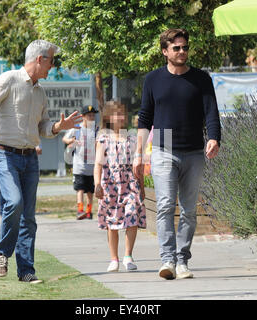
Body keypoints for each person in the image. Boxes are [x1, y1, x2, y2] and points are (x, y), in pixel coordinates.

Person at [0, 39, 82, 284]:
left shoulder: (41, 92)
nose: (52, 66)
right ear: (40, 59)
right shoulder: (8, 79)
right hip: (3, 154)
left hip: (30, 158)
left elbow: (43, 127)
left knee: (28, 217)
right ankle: (2, 254)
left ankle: (26, 271)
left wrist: (58, 127)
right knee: (15, 201)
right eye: (51, 61)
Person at [133, 28, 221, 280]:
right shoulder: (153, 79)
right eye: (176, 48)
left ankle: (182, 260)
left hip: (193, 149)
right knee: (164, 205)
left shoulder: (201, 79)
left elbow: (211, 113)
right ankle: (167, 260)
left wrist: (214, 137)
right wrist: (138, 153)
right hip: (162, 147)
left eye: (185, 47)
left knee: (189, 210)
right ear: (165, 51)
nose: (182, 51)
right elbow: (144, 118)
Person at [94, 100, 146, 272]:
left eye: (123, 113)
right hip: (110, 185)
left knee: (132, 216)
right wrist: (97, 184)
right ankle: (114, 258)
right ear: (109, 117)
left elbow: (137, 165)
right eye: (117, 113)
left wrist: (142, 187)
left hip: (130, 183)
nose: (121, 117)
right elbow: (98, 164)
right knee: (112, 222)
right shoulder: (103, 138)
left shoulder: (132, 137)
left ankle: (128, 256)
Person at [63, 105, 99, 220]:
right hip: (79, 165)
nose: (92, 117)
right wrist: (72, 140)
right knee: (80, 188)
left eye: (93, 115)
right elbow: (65, 139)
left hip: (92, 166)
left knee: (90, 191)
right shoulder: (77, 128)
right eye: (89, 115)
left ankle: (89, 212)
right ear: (83, 117)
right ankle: (80, 210)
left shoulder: (96, 130)